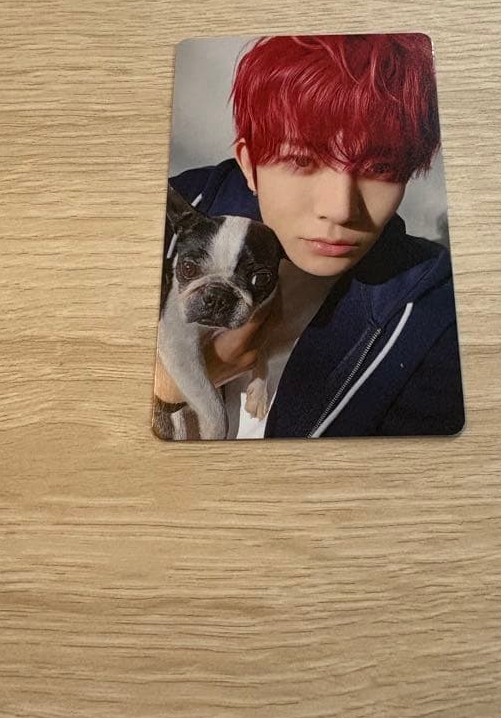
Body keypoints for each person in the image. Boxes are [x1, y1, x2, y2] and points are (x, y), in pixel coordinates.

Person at [154, 33, 465, 438]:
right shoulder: (162, 212)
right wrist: (168, 385)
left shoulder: (433, 315)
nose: (340, 208)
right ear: (249, 164)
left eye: (380, 168)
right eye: (302, 160)